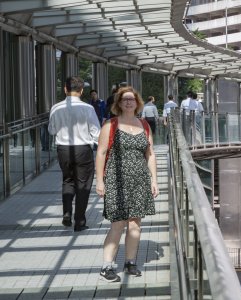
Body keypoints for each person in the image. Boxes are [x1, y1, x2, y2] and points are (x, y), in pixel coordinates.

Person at [95, 86, 159, 283]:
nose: (129, 102)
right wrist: (99, 181)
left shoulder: (144, 125)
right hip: (116, 180)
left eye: (132, 99)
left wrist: (154, 179)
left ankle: (130, 262)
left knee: (135, 224)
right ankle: (107, 266)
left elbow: (150, 154)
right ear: (119, 103)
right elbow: (101, 153)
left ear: (137, 102)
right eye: (125, 100)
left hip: (139, 180)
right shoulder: (110, 125)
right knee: (118, 224)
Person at [48, 76, 101, 232]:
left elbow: (51, 130)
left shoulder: (56, 108)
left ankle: (66, 213)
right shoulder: (88, 108)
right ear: (82, 90)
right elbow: (96, 132)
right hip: (83, 149)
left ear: (65, 89)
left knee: (68, 180)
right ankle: (79, 221)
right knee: (83, 185)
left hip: (63, 149)